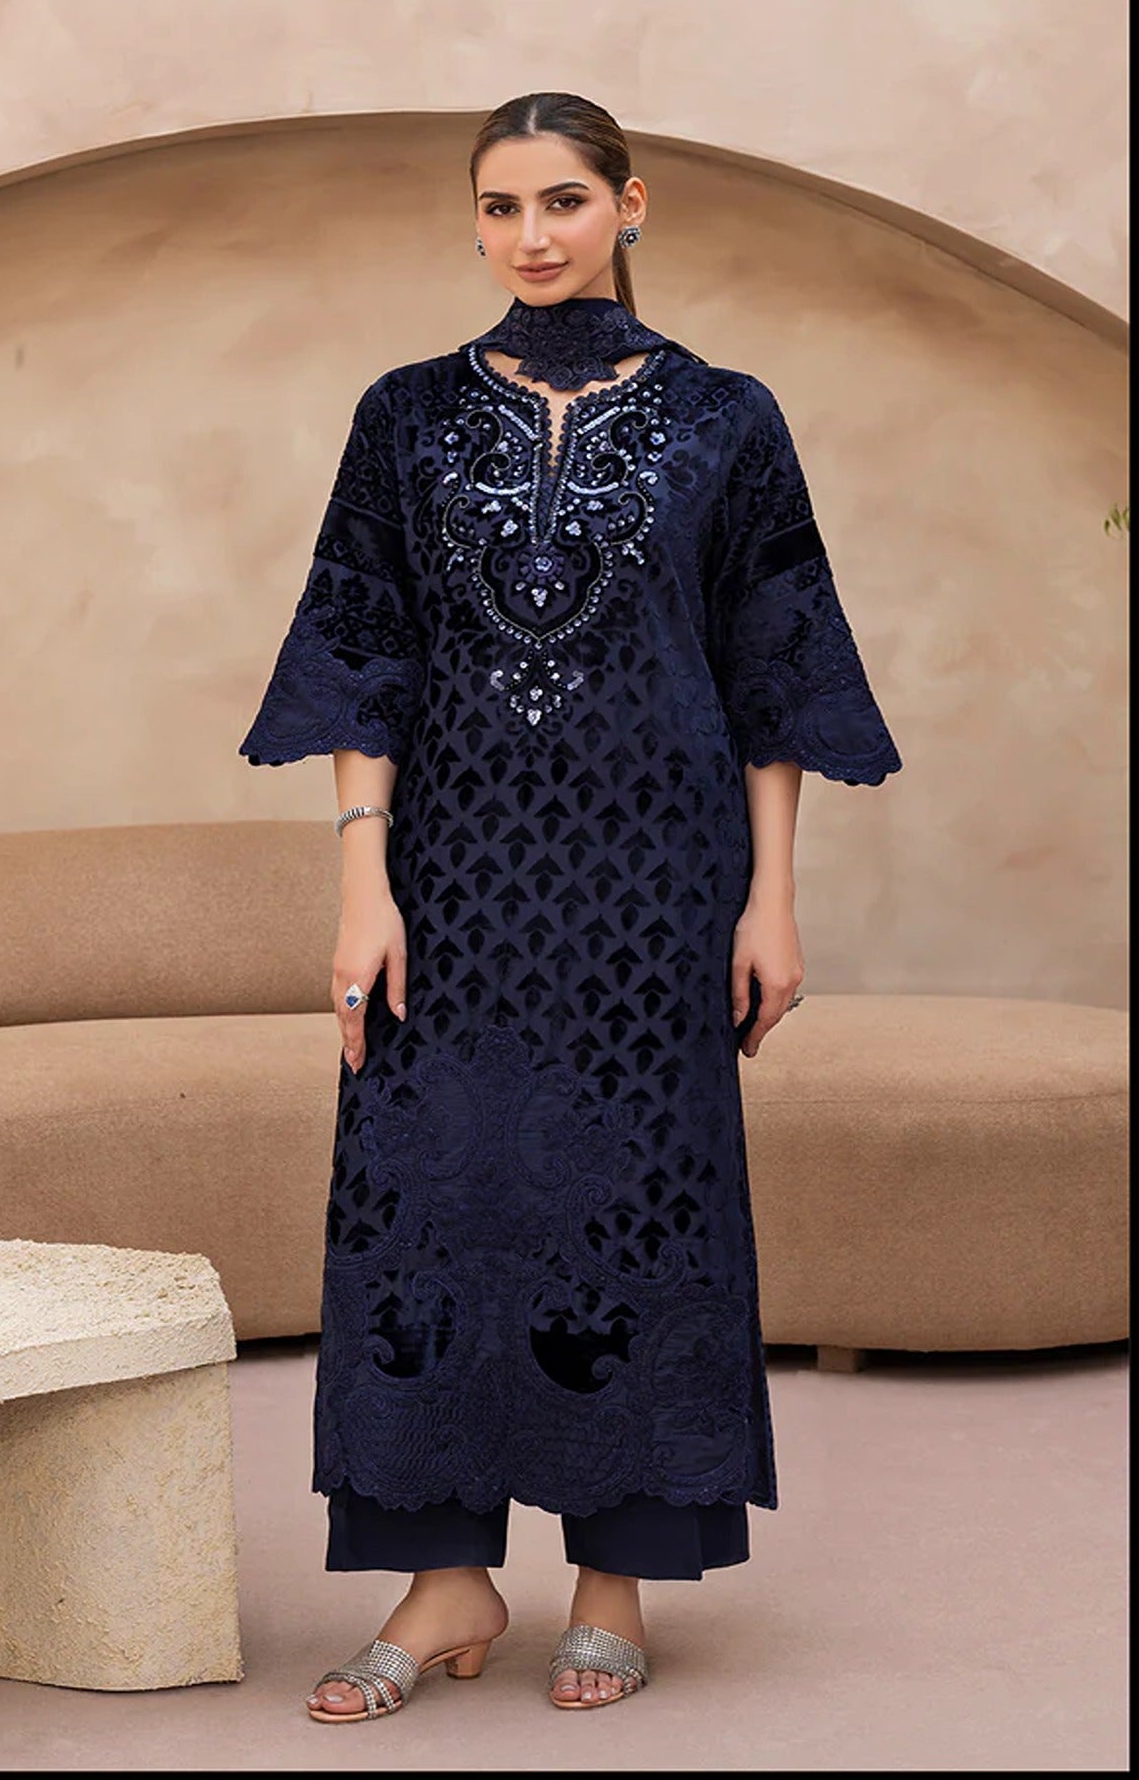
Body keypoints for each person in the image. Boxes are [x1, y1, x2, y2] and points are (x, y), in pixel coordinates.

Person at [239, 90, 902, 1721]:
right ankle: (444, 1580)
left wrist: (772, 901)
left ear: (630, 204)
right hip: (452, 874)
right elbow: (362, 654)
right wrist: (363, 882)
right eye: (499, 207)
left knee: (639, 1203)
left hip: (656, 876)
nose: (530, 236)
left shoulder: (727, 418)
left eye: (561, 201)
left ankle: (615, 1582)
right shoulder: (404, 415)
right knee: (420, 1198)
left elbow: (772, 672)